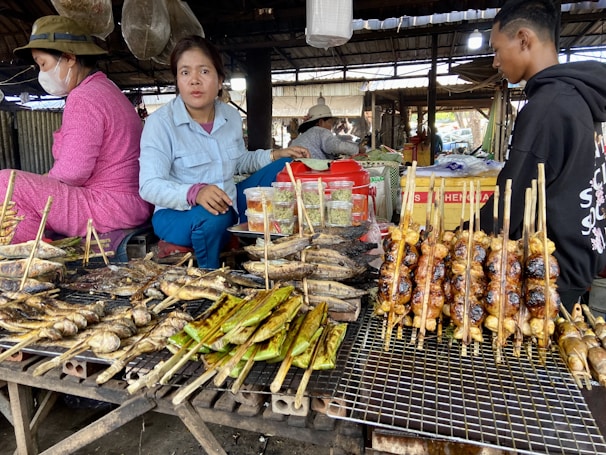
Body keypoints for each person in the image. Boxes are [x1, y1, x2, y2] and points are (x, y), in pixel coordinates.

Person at [478, 0, 606, 310]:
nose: (495, 62)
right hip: (580, 259)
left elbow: (512, 199)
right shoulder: (578, 97)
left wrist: (461, 237)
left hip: (549, 273)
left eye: (496, 49)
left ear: (523, 39)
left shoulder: (548, 107)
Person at [139, 35, 309, 269]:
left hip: (229, 202)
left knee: (286, 169)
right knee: (216, 217)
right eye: (185, 72)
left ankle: (279, 253)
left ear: (219, 80)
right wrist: (195, 193)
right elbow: (149, 185)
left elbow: (237, 162)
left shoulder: (229, 116)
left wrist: (274, 155)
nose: (194, 81)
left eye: (204, 72)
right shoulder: (160, 123)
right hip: (178, 215)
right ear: (178, 80)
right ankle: (210, 276)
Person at [0, 16, 152, 244]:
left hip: (110, 204)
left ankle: (31, 257)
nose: (42, 74)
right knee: (22, 191)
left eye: (43, 64)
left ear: (69, 58)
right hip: (129, 202)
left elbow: (73, 172)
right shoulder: (106, 88)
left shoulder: (83, 97)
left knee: (5, 182)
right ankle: (34, 248)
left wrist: (44, 181)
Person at [290, 104, 365, 160]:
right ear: (321, 122)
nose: (331, 127)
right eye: (330, 123)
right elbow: (335, 146)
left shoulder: (303, 136)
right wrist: (357, 149)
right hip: (311, 172)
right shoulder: (319, 131)